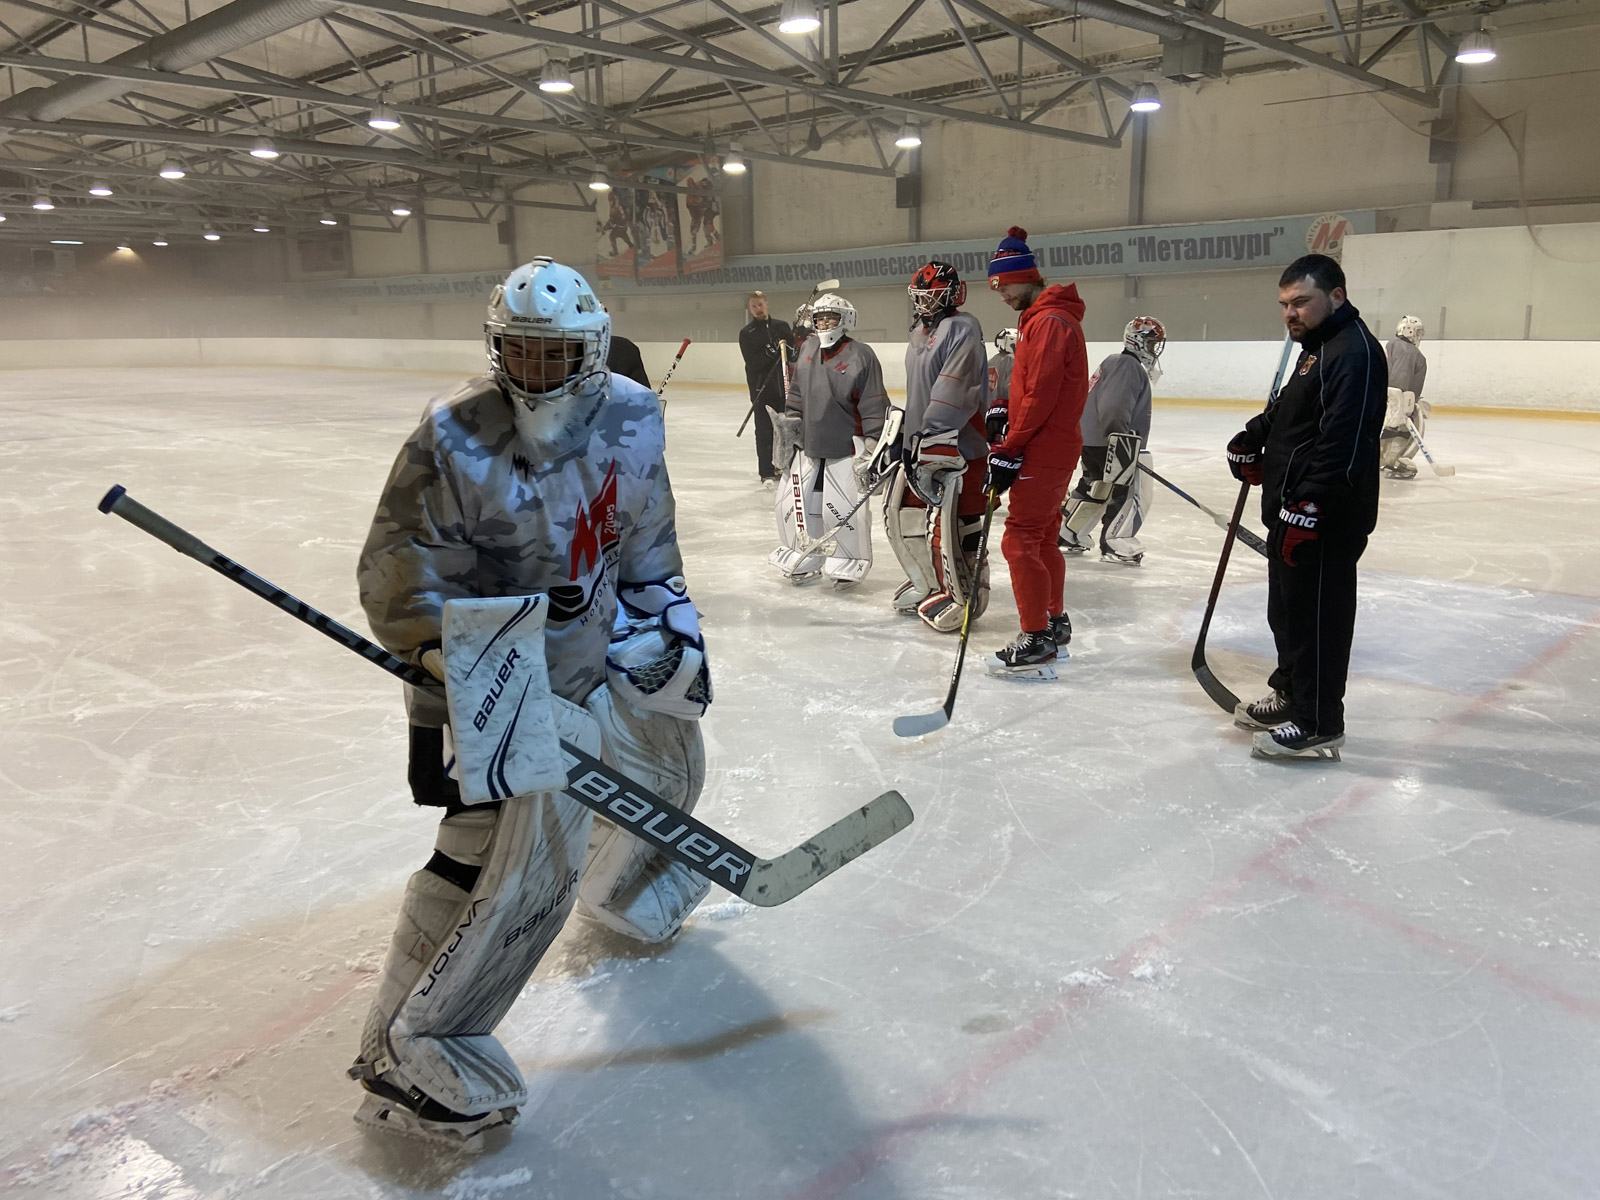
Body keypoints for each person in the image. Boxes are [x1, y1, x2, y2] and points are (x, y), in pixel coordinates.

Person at [352, 257, 714, 1144]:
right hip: (487, 674)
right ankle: (410, 1050)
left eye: (557, 355)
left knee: (667, 750)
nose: (537, 372)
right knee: (504, 857)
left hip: (591, 654)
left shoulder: (632, 414)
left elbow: (647, 543)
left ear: (591, 349)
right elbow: (400, 582)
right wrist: (472, 671)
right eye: (521, 352)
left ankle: (628, 883)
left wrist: (667, 626)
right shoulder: (451, 435)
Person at [1227, 253, 1385, 761]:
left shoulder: (1354, 353)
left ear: (1336, 296)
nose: (1290, 313)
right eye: (1284, 304)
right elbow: (1289, 413)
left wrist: (1310, 507)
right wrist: (1254, 438)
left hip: (1325, 519)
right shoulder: (1316, 347)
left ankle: (1319, 720)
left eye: (1301, 302)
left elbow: (1345, 444)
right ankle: (1292, 695)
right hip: (1292, 510)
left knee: (1318, 618)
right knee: (1289, 613)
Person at [981, 227, 1090, 679]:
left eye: (1005, 286)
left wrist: (1011, 446)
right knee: (1043, 535)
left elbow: (1043, 394)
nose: (1002, 295)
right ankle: (1054, 622)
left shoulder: (1047, 322)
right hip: (1053, 441)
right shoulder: (1045, 318)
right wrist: (1006, 406)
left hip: (1044, 445)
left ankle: (1037, 637)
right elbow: (1037, 388)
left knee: (1020, 536)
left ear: (1025, 278)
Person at [886, 261, 992, 632]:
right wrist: (902, 434)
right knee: (909, 517)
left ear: (951, 295)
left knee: (955, 525)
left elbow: (954, 388)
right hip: (922, 444)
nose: (924, 303)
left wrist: (933, 434)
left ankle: (965, 593)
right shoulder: (919, 331)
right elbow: (920, 390)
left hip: (957, 446)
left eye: (932, 295)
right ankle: (928, 583)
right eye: (921, 296)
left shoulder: (962, 327)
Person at [769, 292, 888, 587]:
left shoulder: (861, 355)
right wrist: (789, 429)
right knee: (794, 505)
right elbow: (796, 395)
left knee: (840, 508)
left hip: (846, 447)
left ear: (844, 320)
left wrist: (872, 443)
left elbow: (873, 402)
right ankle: (802, 553)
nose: (824, 323)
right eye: (819, 318)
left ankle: (849, 557)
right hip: (809, 445)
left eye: (830, 317)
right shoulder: (808, 348)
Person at [1059, 316, 1164, 564]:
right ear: (1138, 341)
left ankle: (1068, 534)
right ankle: (1116, 542)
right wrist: (1121, 438)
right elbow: (1114, 406)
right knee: (1129, 491)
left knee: (1096, 487)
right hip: (1113, 440)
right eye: (1152, 342)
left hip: (1095, 438)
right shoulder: (1127, 365)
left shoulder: (1115, 362)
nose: (1154, 349)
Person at [737, 291, 795, 486]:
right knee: (764, 431)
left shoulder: (782, 326)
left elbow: (793, 355)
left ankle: (787, 465)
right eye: (753, 306)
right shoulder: (747, 333)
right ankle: (767, 471)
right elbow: (753, 363)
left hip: (785, 389)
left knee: (788, 430)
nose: (757, 309)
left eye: (760, 304)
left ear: (766, 304)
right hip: (762, 391)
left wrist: (796, 340)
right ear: (749, 309)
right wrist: (771, 350)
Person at [1381, 315, 1428, 479]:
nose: (1419, 336)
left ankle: (1382, 457)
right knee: (1402, 427)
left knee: (1386, 427)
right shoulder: (1410, 351)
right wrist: (1404, 402)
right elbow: (1400, 378)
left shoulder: (1391, 345)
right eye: (1417, 332)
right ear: (1409, 330)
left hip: (1383, 396)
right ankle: (1394, 461)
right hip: (1397, 397)